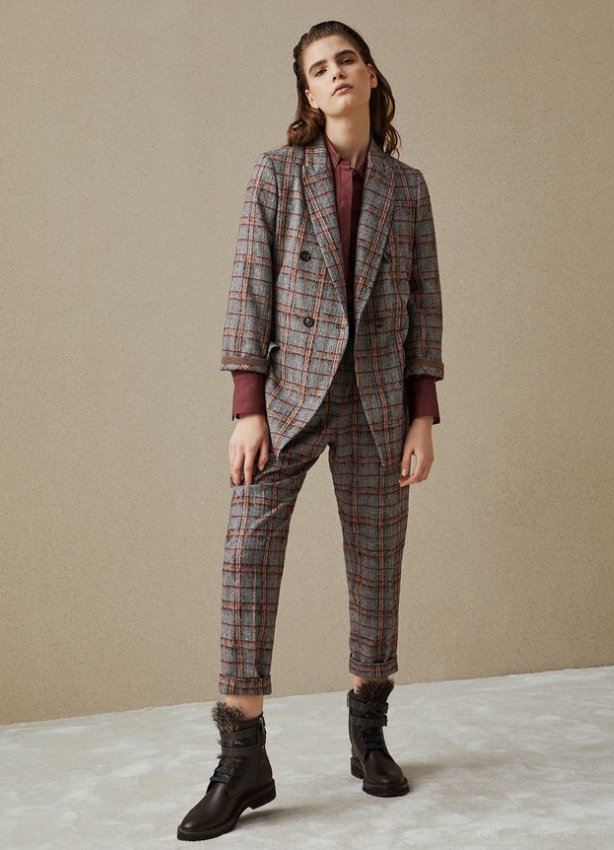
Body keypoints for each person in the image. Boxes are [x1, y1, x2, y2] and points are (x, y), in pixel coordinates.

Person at [177, 19, 444, 841]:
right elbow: (247, 287)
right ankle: (242, 758)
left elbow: (425, 303)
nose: (333, 75)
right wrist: (246, 405)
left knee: (376, 565)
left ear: (370, 75)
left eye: (345, 61)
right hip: (288, 397)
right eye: (317, 69)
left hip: (378, 403)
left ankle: (369, 737)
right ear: (306, 92)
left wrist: (423, 413)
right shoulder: (277, 174)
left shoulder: (407, 188)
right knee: (246, 558)